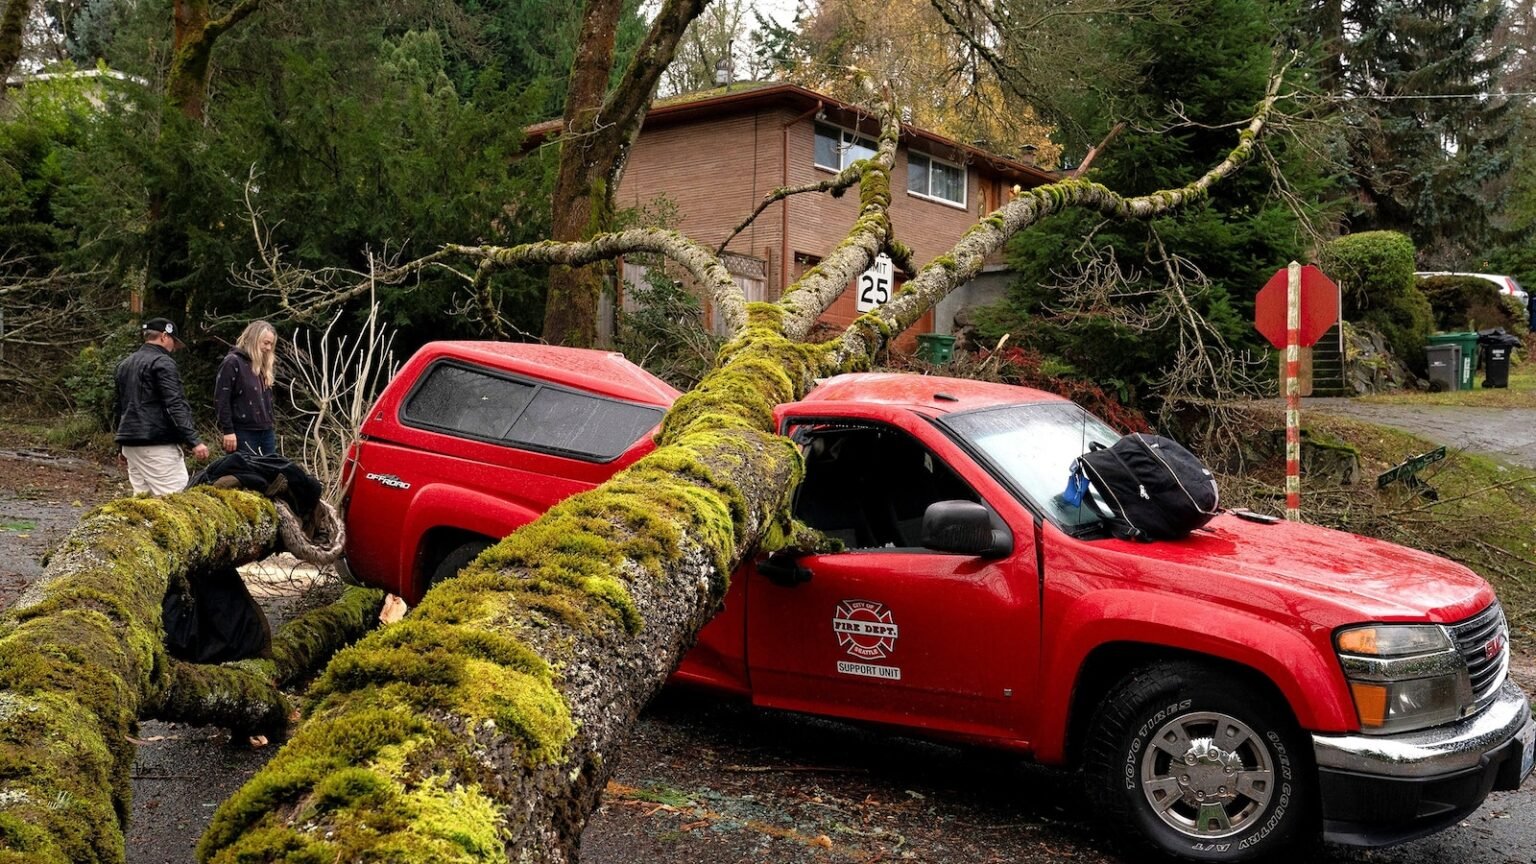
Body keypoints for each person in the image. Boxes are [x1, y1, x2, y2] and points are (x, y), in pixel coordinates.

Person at [114, 317, 209, 495]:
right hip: (156, 442)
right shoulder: (163, 362)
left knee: (143, 499)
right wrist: (194, 440)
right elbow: (174, 404)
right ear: (164, 336)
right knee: (175, 496)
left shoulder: (124, 365)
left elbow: (120, 408)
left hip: (130, 443)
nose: (173, 348)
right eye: (173, 341)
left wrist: (121, 445)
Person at [214, 320, 278, 456]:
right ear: (254, 339)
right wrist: (228, 431)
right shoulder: (232, 362)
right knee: (246, 475)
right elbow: (221, 399)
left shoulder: (263, 366)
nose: (268, 348)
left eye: (271, 344)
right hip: (242, 432)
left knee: (271, 473)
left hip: (266, 431)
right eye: (265, 343)